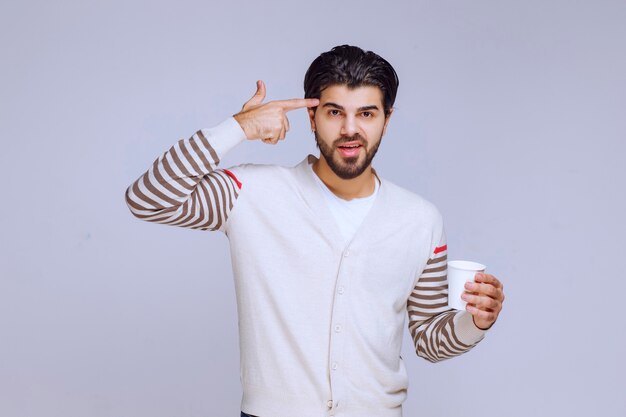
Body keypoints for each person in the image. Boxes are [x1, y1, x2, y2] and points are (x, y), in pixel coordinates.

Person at [125, 45, 505, 417]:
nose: (350, 129)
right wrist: (237, 128)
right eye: (334, 112)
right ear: (311, 117)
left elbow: (429, 340)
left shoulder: (420, 219)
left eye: (367, 114)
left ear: (387, 120)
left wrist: (475, 321)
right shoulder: (250, 194)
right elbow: (147, 198)